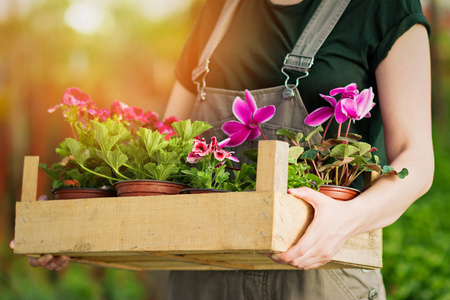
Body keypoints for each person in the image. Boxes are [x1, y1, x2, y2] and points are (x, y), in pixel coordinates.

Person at [14, 0, 434, 299]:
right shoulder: (218, 11)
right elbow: (168, 149)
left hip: (319, 274)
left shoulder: (384, 8)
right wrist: (79, 216)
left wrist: (345, 220)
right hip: (202, 275)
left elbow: (416, 159)